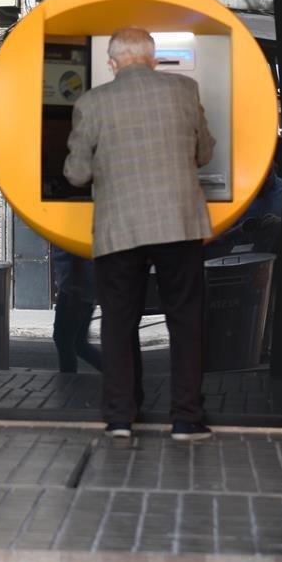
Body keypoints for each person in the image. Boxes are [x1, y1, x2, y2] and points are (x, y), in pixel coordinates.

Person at [64, 27, 214, 442]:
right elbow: (203, 153)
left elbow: (76, 174)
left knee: (118, 321)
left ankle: (119, 419)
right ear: (153, 58)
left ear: (112, 63)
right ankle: (186, 419)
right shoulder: (185, 90)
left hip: (119, 226)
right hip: (178, 222)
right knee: (184, 318)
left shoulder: (92, 102)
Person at [51, 246, 102, 374]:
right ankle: (116, 374)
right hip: (83, 285)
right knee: (78, 342)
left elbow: (77, 255)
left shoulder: (67, 228)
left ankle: (68, 379)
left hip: (74, 286)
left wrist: (75, 288)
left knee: (63, 339)